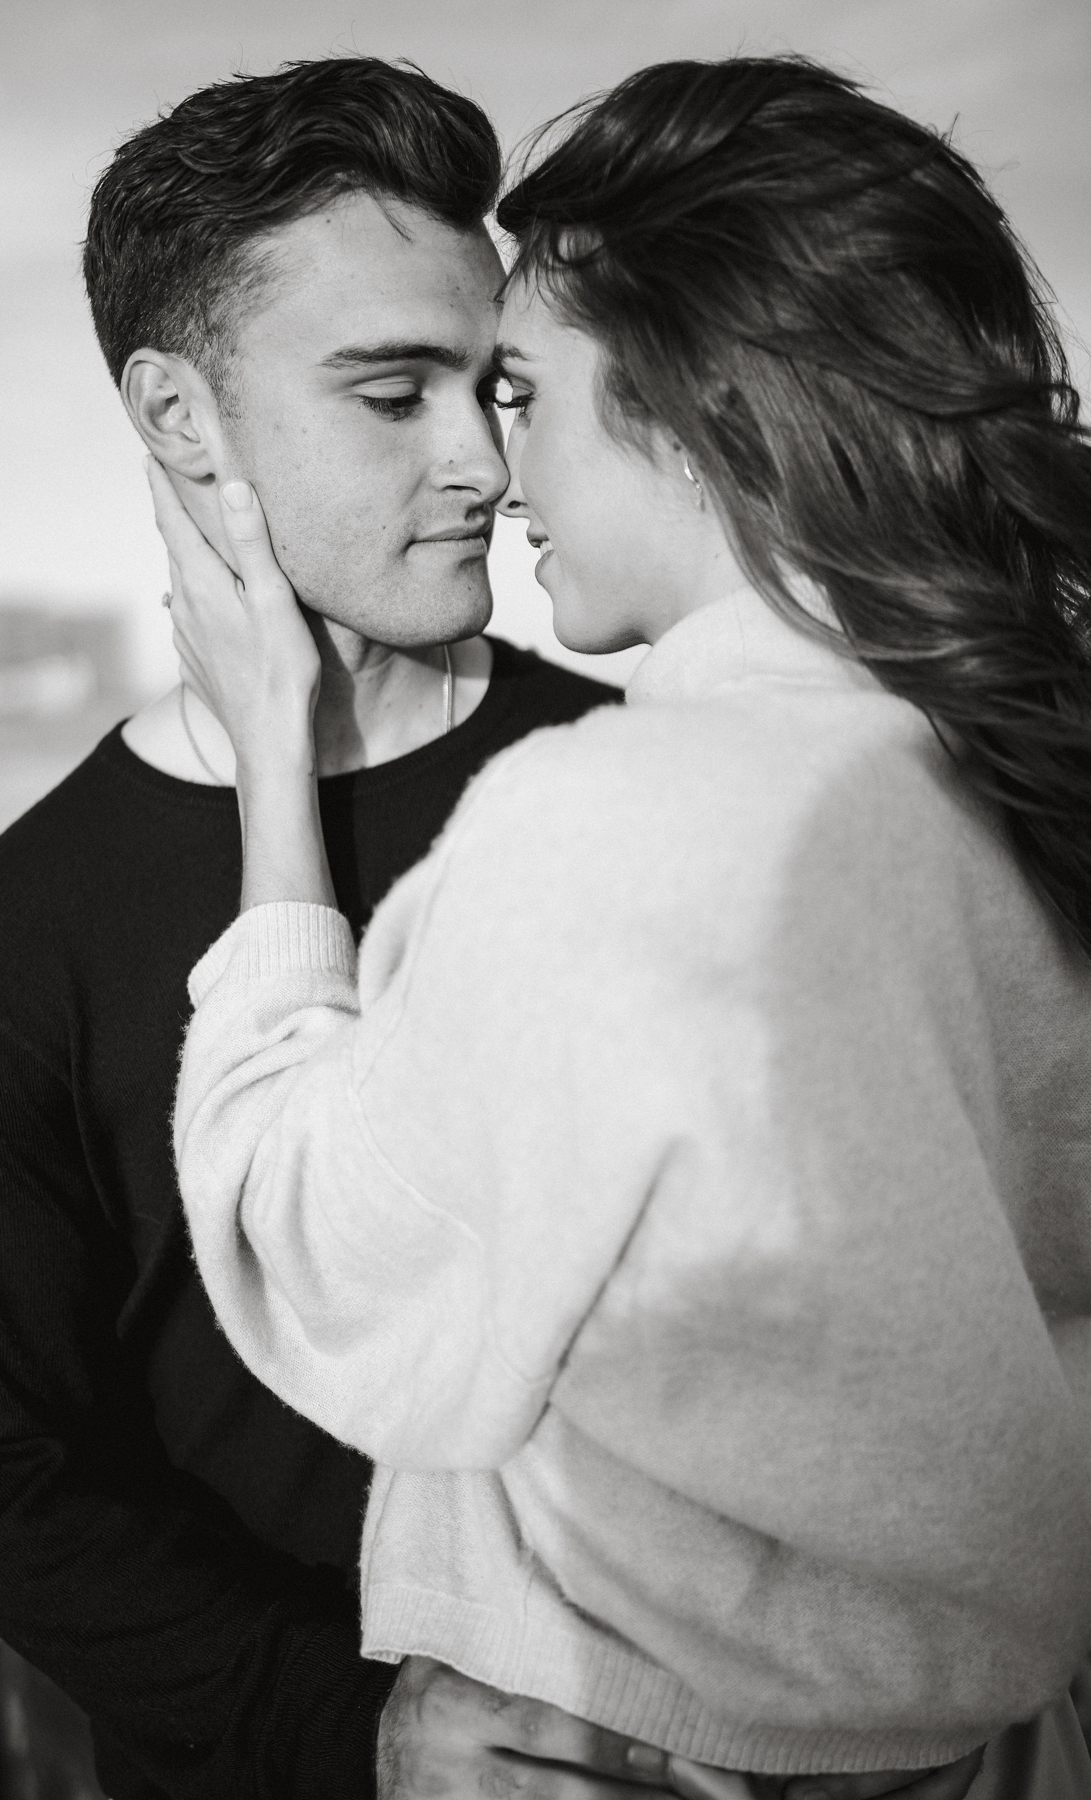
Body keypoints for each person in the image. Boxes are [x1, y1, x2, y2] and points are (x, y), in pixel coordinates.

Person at [164, 55, 1091, 1800]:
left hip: (662, 1754)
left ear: (685, 405)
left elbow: (321, 1258)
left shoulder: (618, 823)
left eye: (522, 391)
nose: (495, 473)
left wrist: (272, 778)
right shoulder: (1012, 762)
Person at [0, 57, 642, 1800]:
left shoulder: (642, 784)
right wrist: (357, 1725)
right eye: (393, 395)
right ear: (179, 420)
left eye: (495, 385)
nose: (485, 462)